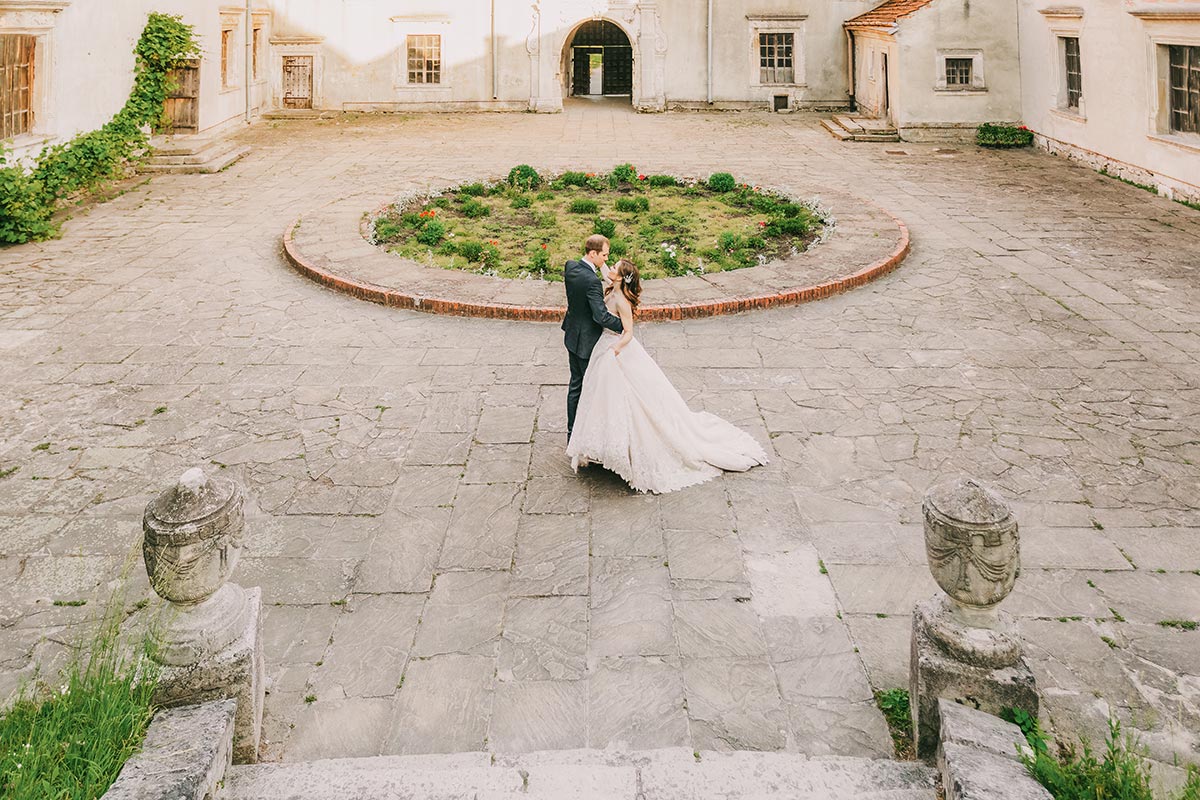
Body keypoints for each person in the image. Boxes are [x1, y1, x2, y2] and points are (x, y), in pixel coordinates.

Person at [566, 259, 768, 494]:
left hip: (614, 350)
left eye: (614, 267)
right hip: (604, 347)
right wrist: (600, 263)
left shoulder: (621, 300)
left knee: (627, 400)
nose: (609, 267)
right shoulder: (612, 286)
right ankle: (599, 446)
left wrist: (616, 349)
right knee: (601, 397)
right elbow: (606, 271)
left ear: (620, 277)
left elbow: (629, 332)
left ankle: (623, 448)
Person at [562, 234, 622, 445]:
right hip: (587, 343)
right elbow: (601, 316)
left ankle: (572, 434)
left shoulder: (571, 267)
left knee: (575, 385)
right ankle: (586, 437)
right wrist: (624, 326)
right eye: (604, 255)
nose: (606, 259)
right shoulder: (592, 283)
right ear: (593, 253)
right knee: (591, 389)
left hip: (571, 336)